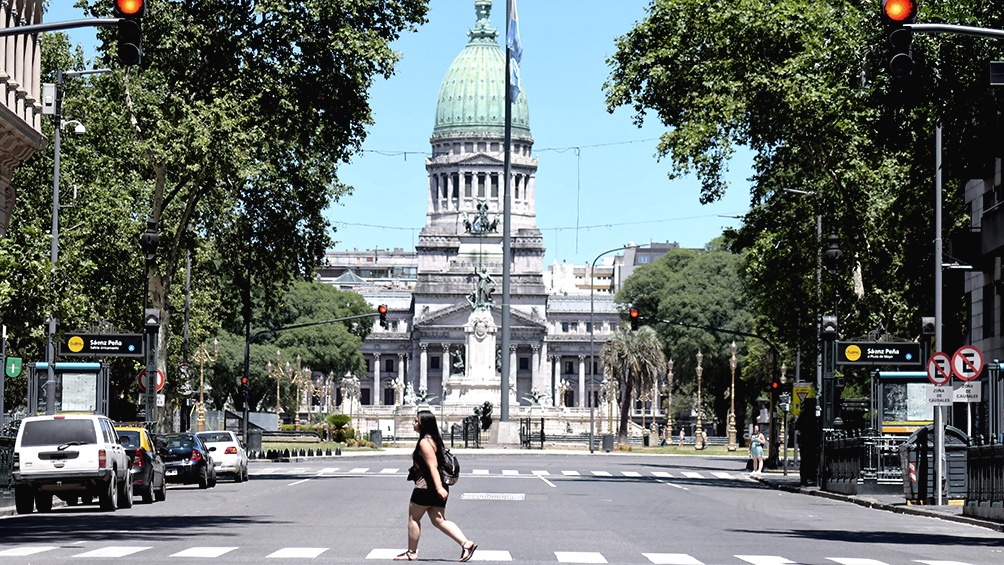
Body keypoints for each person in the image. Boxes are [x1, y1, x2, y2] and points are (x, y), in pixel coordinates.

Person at [396, 410, 477, 562]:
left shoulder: (424, 443)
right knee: (439, 520)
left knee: (414, 518)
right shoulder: (435, 440)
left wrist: (438, 488)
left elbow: (432, 466)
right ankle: (466, 544)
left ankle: (411, 553)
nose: (413, 424)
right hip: (439, 486)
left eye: (415, 421)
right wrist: (440, 488)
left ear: (423, 423)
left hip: (426, 487)